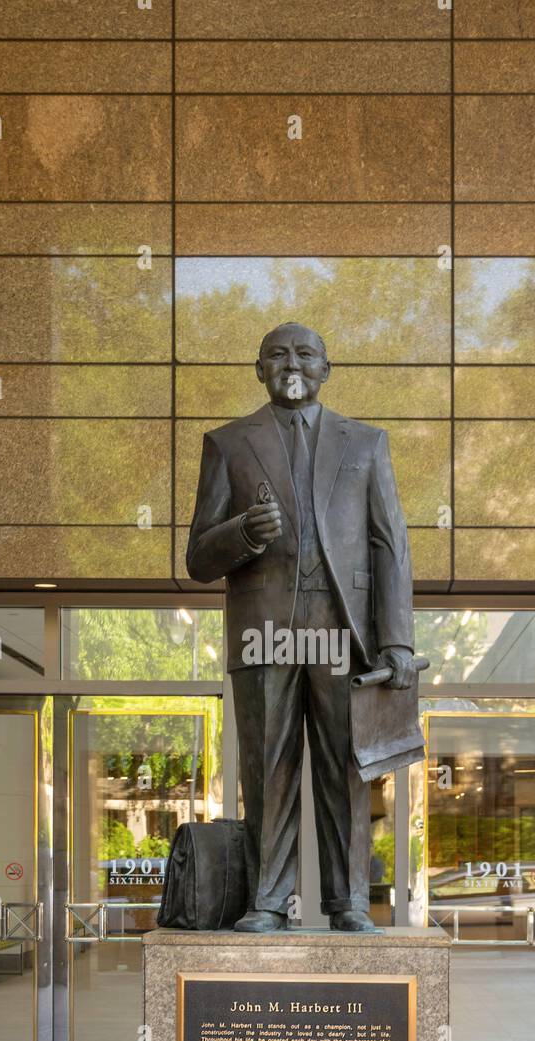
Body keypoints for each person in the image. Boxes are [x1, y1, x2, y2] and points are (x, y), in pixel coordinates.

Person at [186, 322, 418, 932]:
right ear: (258, 368)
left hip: (344, 629)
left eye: (305, 353)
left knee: (346, 767)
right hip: (265, 632)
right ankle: (267, 901)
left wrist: (396, 640)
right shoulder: (228, 443)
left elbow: (389, 542)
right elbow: (198, 561)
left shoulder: (366, 443)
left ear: (326, 368)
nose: (292, 363)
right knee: (268, 769)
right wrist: (241, 534)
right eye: (278, 354)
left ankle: (347, 902)